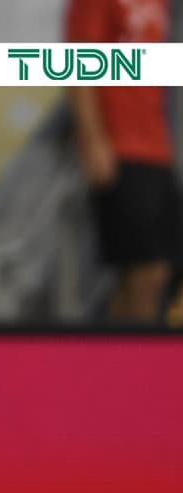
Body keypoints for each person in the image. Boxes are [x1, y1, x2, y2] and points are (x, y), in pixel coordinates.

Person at [66, 0, 179, 323]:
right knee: (145, 269)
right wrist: (93, 141)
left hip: (159, 147)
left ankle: (125, 347)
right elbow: (77, 64)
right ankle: (131, 350)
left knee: (160, 269)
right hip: (122, 147)